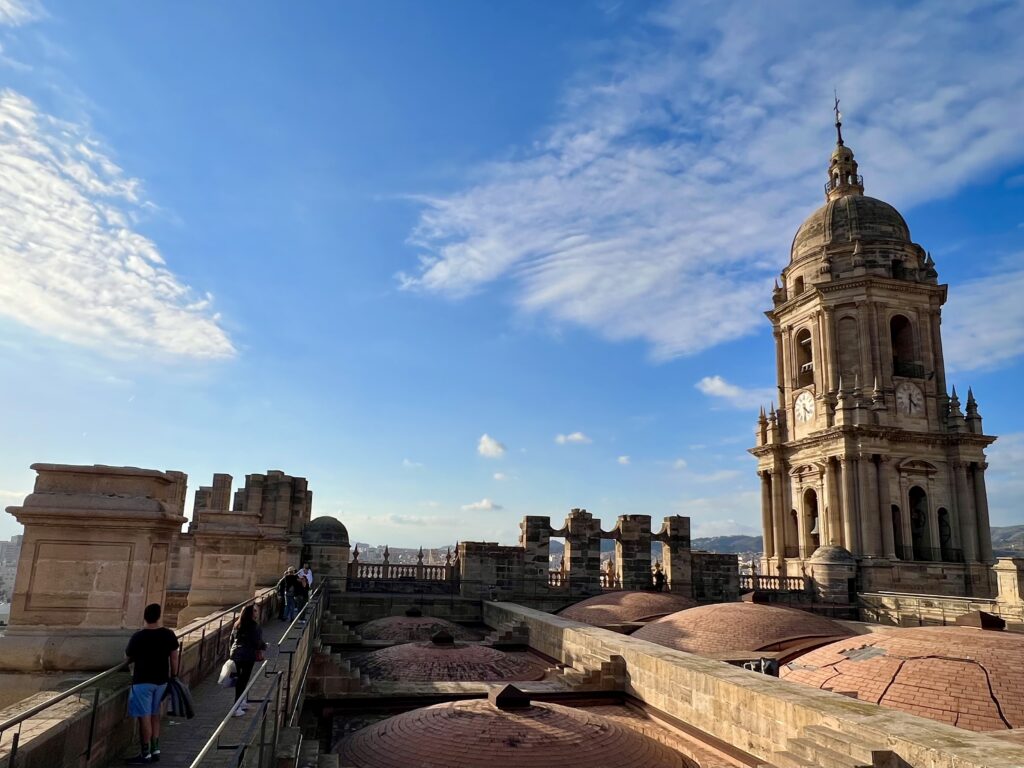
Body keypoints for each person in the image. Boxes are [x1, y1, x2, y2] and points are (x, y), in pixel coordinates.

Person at [125, 603, 180, 764]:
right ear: (158, 616)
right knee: (155, 714)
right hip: (161, 681)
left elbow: (128, 655)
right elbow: (174, 657)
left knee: (144, 717)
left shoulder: (138, 636)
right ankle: (156, 749)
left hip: (143, 681)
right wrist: (174, 675)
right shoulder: (168, 634)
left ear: (145, 617)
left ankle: (145, 752)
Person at [230, 604, 268, 716]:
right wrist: (264, 646)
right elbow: (256, 642)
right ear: (251, 613)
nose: (257, 612)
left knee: (240, 680)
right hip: (247, 655)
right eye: (255, 611)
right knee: (243, 681)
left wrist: (231, 653)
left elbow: (231, 640)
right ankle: (236, 708)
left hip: (236, 654)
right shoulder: (254, 626)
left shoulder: (237, 624)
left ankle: (241, 702)